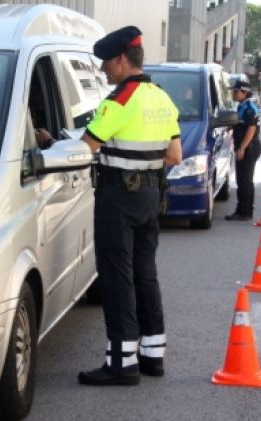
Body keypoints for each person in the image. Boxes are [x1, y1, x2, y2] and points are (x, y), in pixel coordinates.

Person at [77, 26, 182, 386]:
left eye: (106, 62)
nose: (104, 70)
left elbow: (84, 147)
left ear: (121, 59)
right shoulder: (161, 98)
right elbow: (174, 155)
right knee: (144, 271)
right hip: (151, 195)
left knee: (116, 275)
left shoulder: (120, 99)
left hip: (117, 197)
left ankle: (121, 362)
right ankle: (153, 355)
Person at [225, 80, 261, 221]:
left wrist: (242, 148)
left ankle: (245, 212)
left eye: (236, 91)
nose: (233, 94)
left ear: (245, 91)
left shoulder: (249, 108)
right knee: (241, 180)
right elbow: (239, 124)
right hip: (244, 146)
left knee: (245, 181)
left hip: (249, 147)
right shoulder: (241, 106)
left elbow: (251, 130)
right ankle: (241, 209)